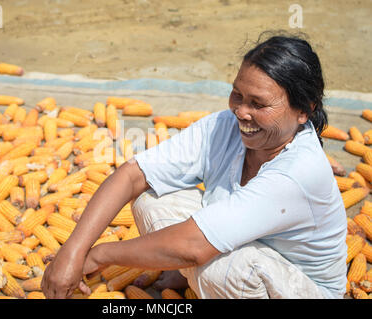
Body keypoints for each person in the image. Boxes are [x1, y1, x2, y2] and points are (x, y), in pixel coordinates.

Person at [41, 34, 348, 299]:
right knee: (151, 200)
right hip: (245, 248)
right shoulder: (225, 127)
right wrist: (73, 250)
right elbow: (134, 175)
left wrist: (96, 256)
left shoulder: (298, 172)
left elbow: (194, 247)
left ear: (304, 110)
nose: (241, 112)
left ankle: (200, 279)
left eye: (259, 104)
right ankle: (192, 277)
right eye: (237, 96)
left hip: (301, 285)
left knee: (221, 270)